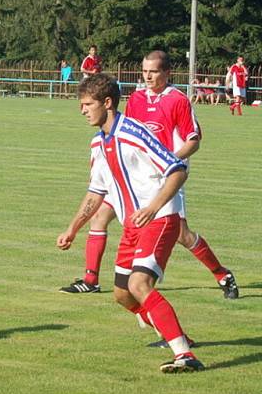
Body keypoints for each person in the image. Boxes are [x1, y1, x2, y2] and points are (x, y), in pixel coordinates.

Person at [60, 51, 239, 301]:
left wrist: (165, 162)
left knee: (181, 235)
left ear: (167, 73)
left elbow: (193, 140)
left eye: (153, 71)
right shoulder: (136, 99)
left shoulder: (178, 100)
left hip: (164, 178)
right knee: (99, 216)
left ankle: (222, 274)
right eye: (144, 71)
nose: (147, 76)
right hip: (132, 178)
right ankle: (91, 280)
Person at [57, 73, 204, 373]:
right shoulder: (98, 143)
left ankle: (184, 355)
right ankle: (176, 334)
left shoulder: (134, 133)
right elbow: (96, 191)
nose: (82, 110)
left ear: (107, 103)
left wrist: (153, 207)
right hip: (133, 226)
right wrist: (73, 228)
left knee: (139, 284)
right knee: (123, 295)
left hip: (160, 219)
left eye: (87, 104)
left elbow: (177, 169)